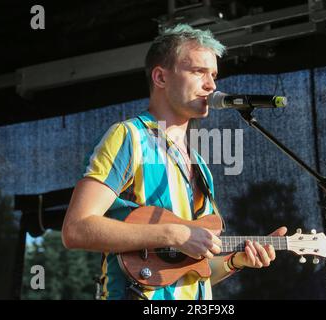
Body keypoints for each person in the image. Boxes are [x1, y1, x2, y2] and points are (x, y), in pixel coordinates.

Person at [61, 23, 287, 300]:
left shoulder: (200, 165)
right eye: (198, 71)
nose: (211, 85)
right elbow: (76, 229)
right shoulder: (128, 136)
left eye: (214, 75)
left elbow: (188, 270)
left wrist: (235, 261)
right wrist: (174, 234)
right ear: (160, 78)